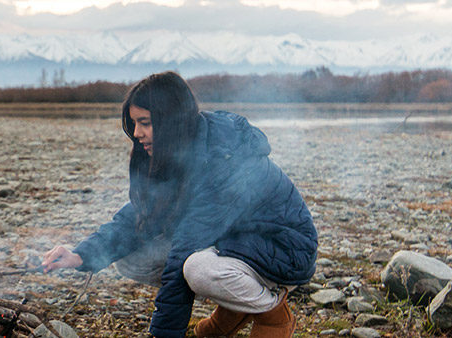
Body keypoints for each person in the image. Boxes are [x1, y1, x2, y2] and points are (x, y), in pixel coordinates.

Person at [41, 72, 317, 338]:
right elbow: (139, 216)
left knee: (197, 269)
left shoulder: (221, 160)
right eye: (134, 123)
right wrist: (81, 255)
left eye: (146, 122)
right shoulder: (179, 149)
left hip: (284, 250)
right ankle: (236, 307)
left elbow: (185, 247)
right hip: (235, 242)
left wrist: (163, 333)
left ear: (171, 120)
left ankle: (273, 313)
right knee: (129, 256)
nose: (136, 133)